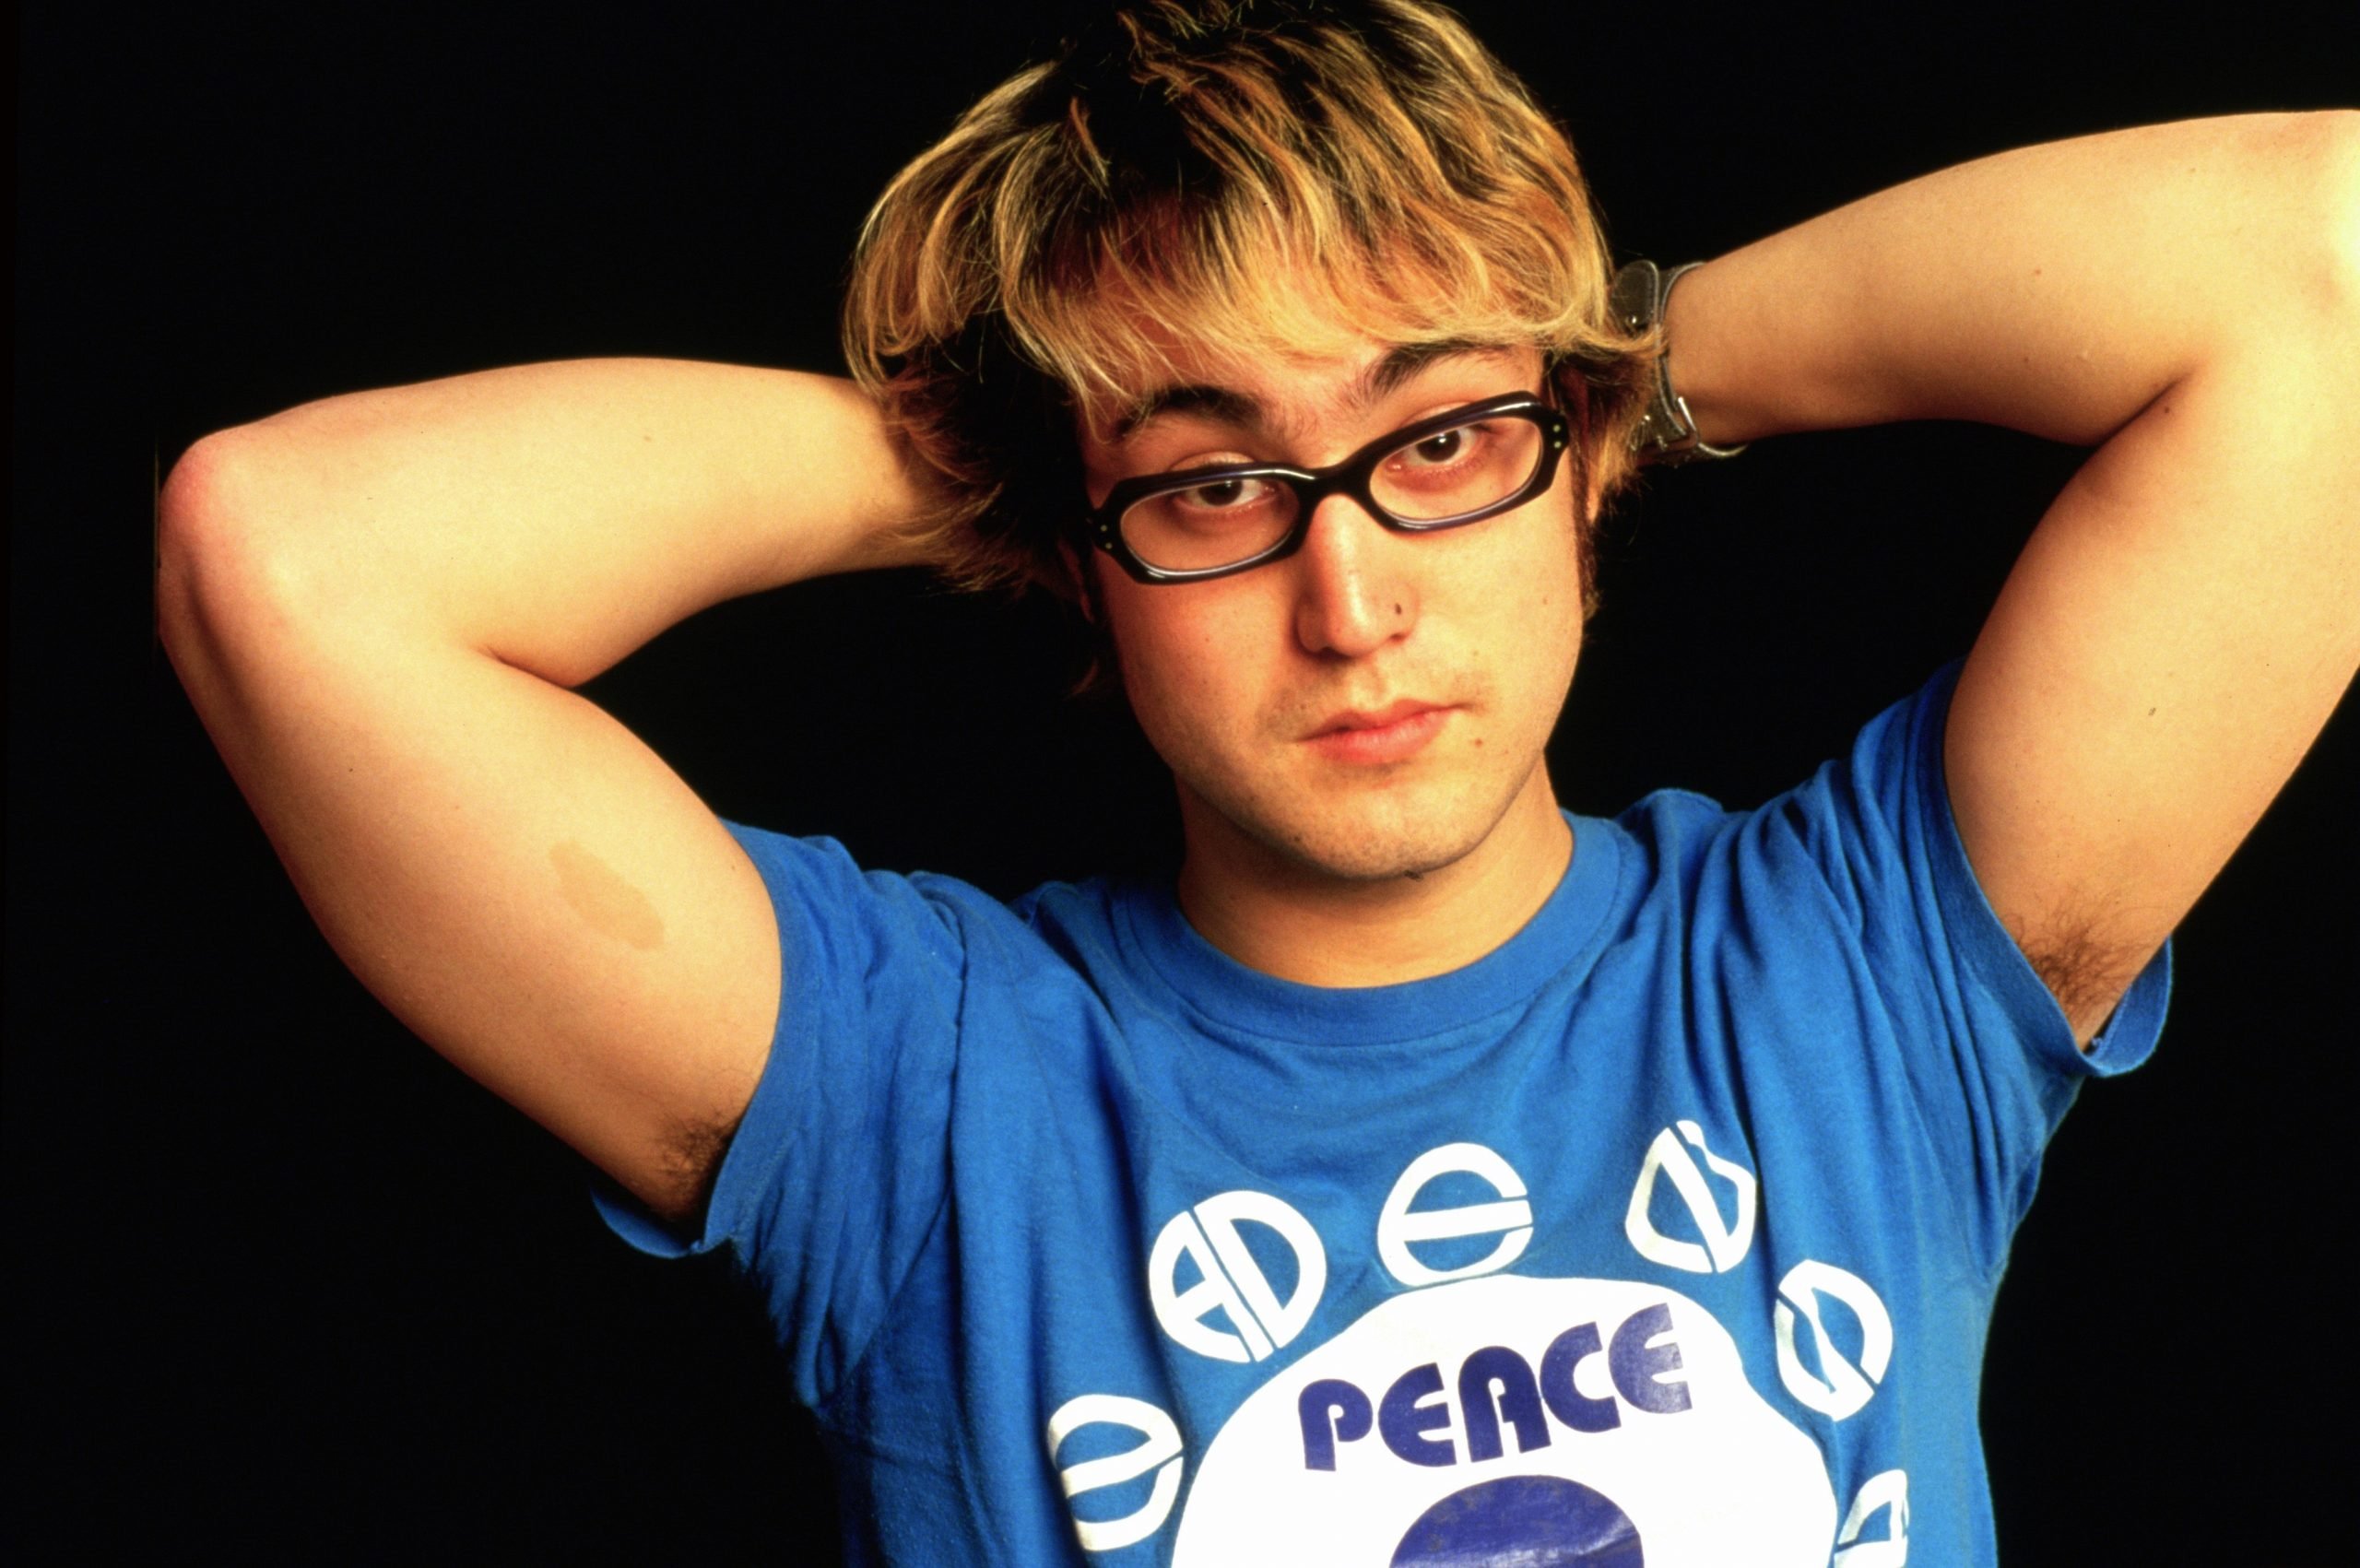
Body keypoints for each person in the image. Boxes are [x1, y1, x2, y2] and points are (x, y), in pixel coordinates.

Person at [153, 3, 2357, 1562]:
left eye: (1437, 448)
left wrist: (1616, 367)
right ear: (1076, 580)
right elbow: (290, 559)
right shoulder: (921, 1094)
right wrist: (1038, 459)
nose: (1352, 592)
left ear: (1579, 486)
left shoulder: (1862, 971)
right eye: (1218, 494)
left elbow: (2321, 258)